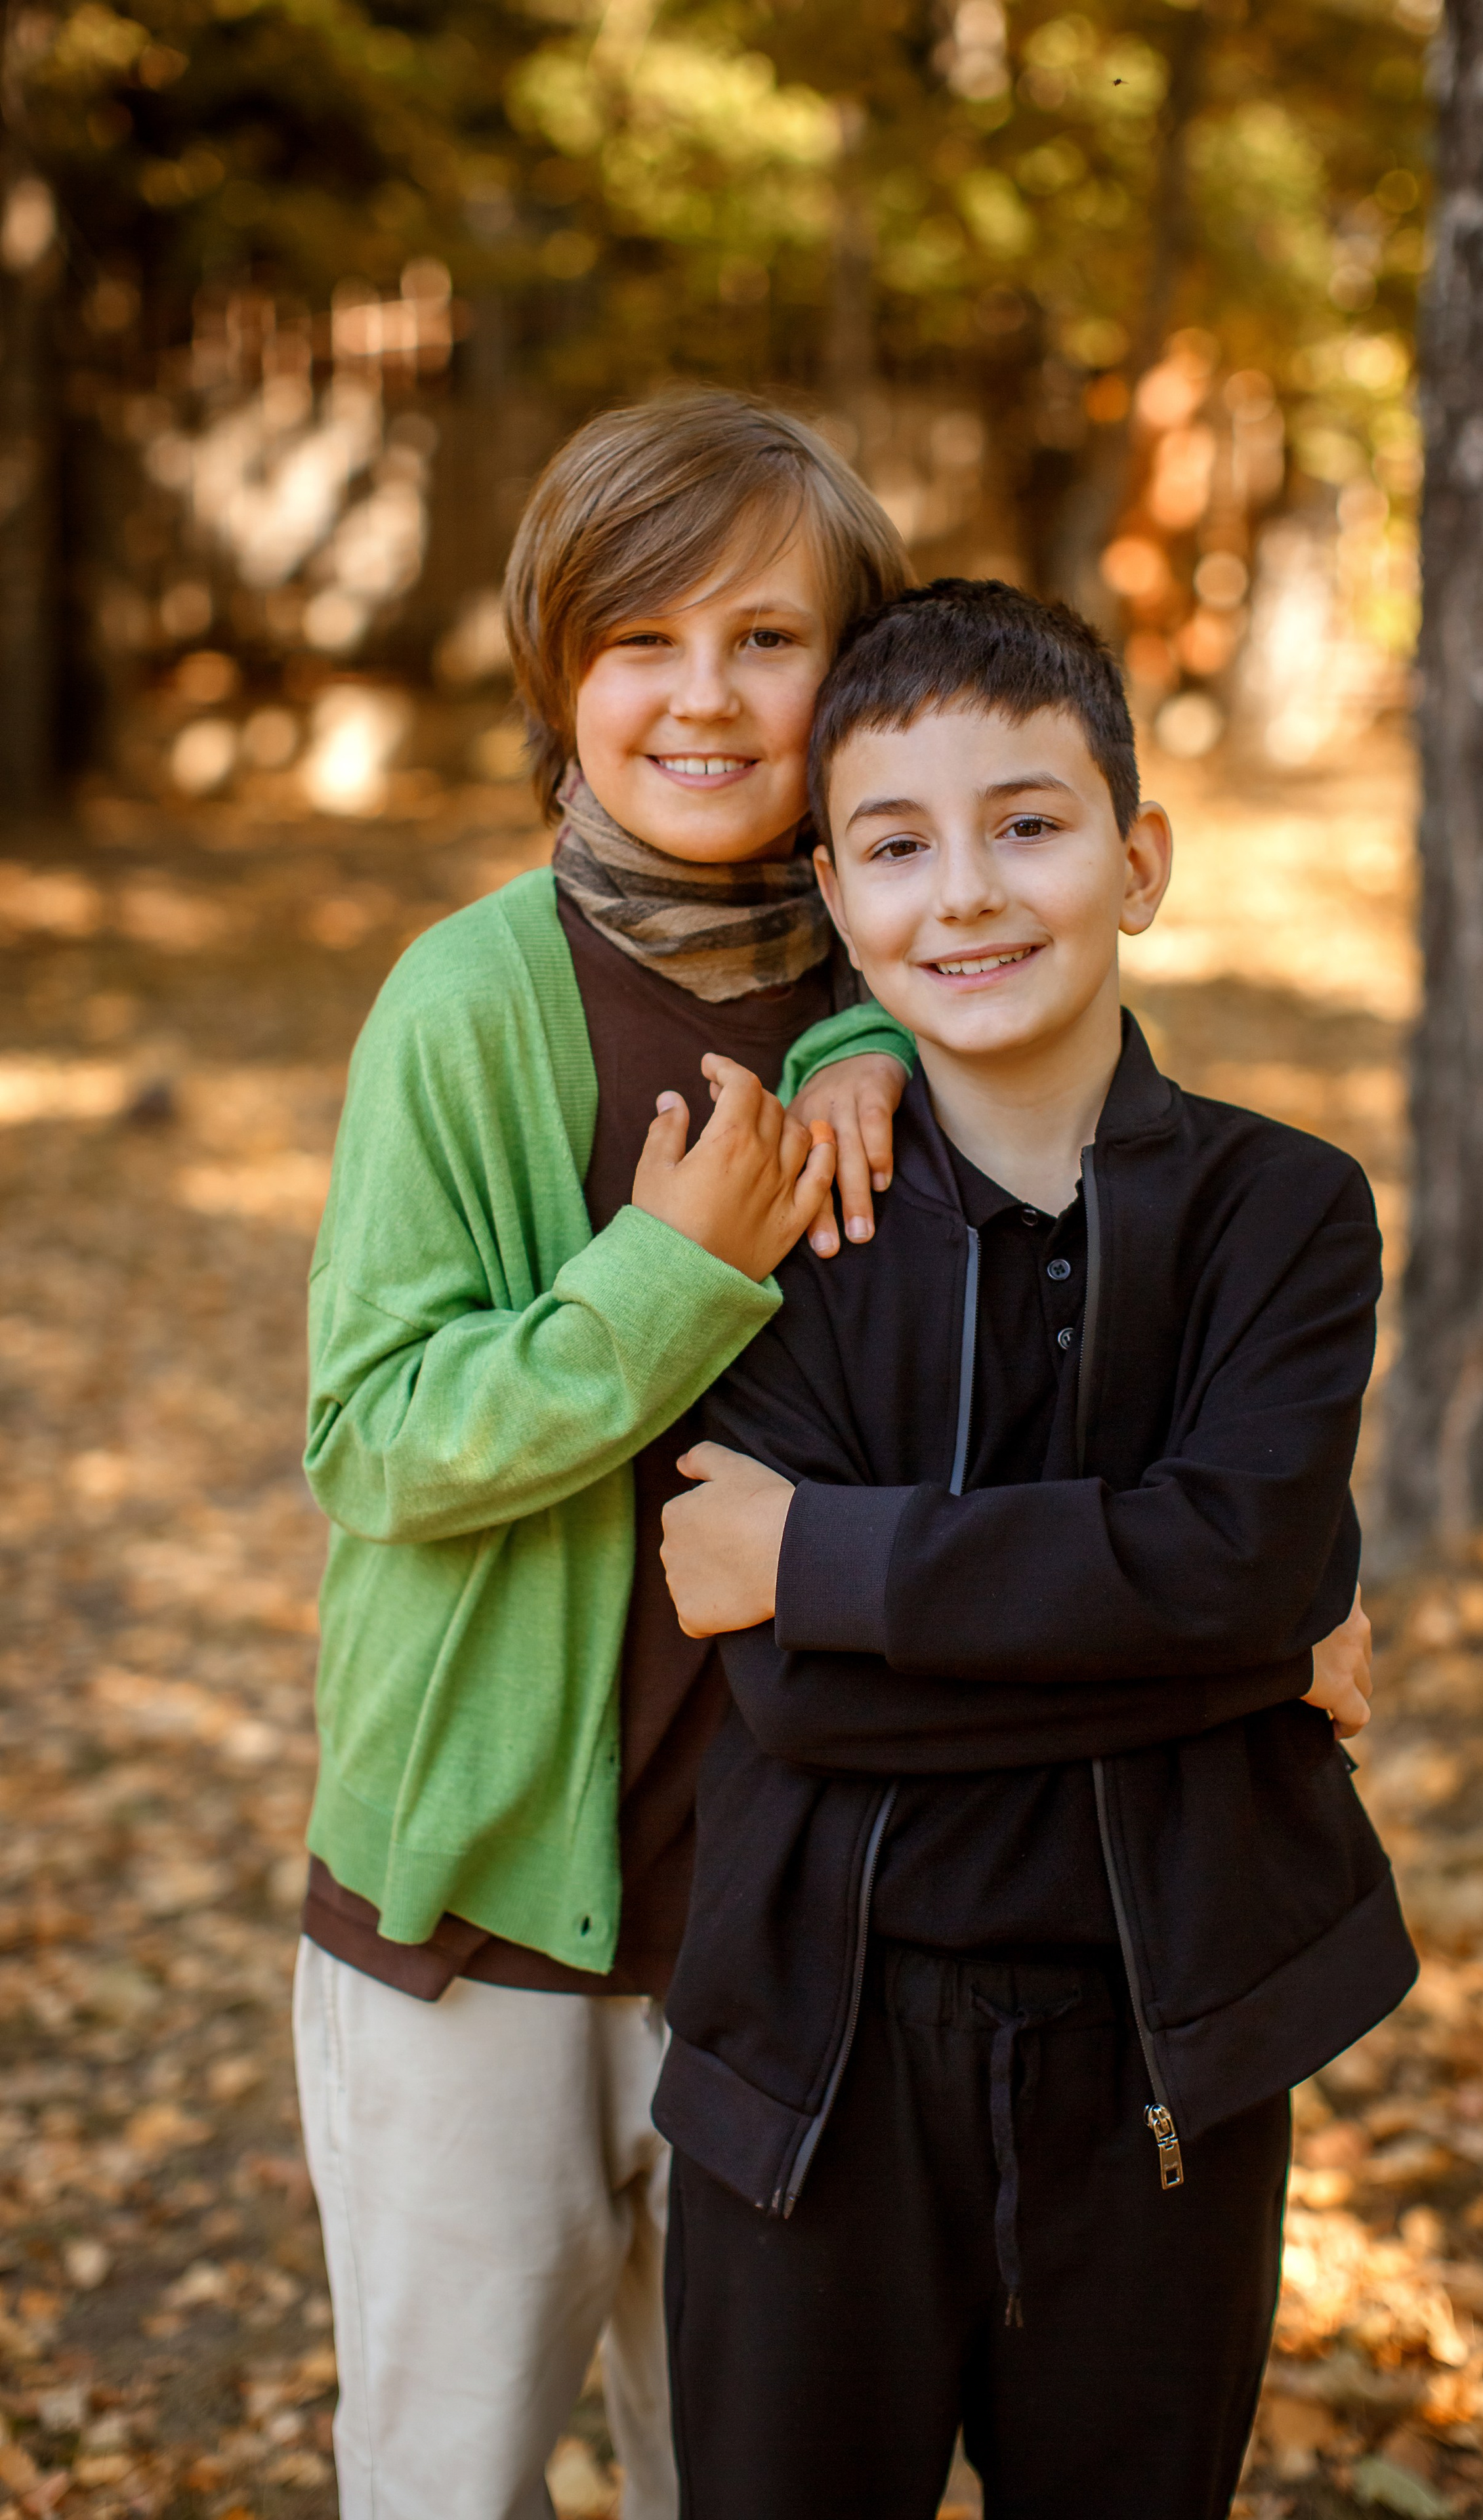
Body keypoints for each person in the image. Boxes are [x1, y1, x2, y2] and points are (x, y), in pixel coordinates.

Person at [656, 578, 1417, 2520]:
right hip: (819, 2060)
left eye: (1031, 824)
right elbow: (804, 1710)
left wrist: (819, 1555)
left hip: (1161, 2047)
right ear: (837, 900)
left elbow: (1241, 1570)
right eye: (900, 847)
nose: (969, 895)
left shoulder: (1284, 1214)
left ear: (1137, 859)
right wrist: (1226, 1641)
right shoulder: (781, 1226)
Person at [291, 390, 921, 2520]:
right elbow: (371, 1440)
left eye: (768, 636)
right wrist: (662, 1282)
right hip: (484, 1923)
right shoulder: (468, 1002)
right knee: (448, 2475)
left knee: (749, 2480)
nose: (708, 695)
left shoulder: (923, 981)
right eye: (641, 638)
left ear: (861, 673)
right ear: (562, 671)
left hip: (812, 1923)